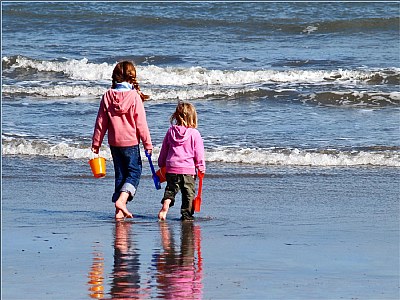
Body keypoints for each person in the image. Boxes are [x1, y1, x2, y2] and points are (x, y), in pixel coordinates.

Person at [91, 61, 153, 219]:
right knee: (134, 172)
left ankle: (118, 211)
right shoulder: (134, 97)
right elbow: (141, 124)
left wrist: (96, 143)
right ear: (132, 77)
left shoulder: (107, 95)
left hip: (114, 143)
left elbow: (100, 122)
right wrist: (147, 144)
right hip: (131, 142)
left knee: (120, 174)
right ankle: (122, 201)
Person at [157, 101, 206, 221]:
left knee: (171, 190)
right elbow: (198, 153)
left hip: (172, 168)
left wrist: (161, 163)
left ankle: (165, 206)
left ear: (176, 116)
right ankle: (186, 215)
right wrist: (201, 167)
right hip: (187, 170)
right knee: (188, 194)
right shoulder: (195, 133)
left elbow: (164, 149)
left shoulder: (170, 132)